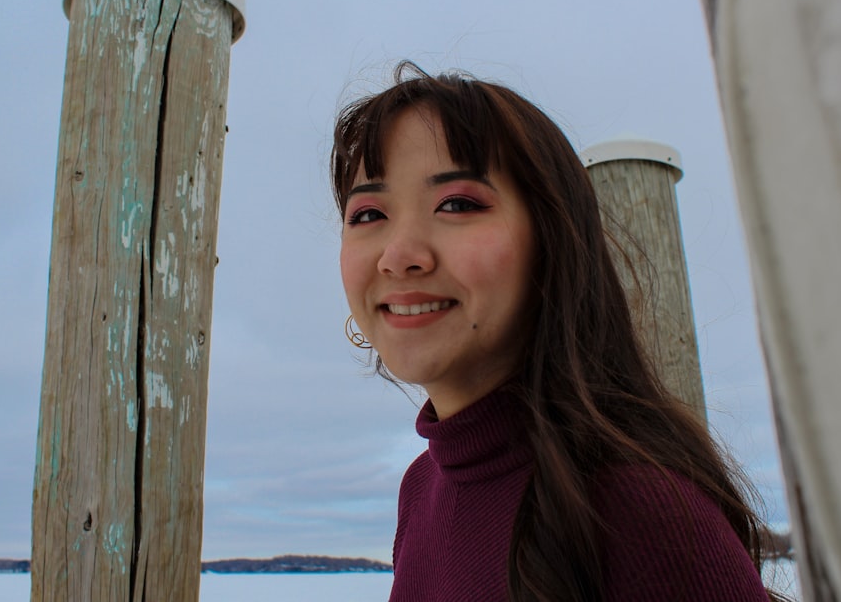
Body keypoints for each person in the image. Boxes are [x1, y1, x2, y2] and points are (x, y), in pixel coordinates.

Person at [331, 62, 787, 602]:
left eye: (457, 204)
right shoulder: (424, 486)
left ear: (553, 243)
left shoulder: (638, 509)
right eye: (367, 214)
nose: (399, 255)